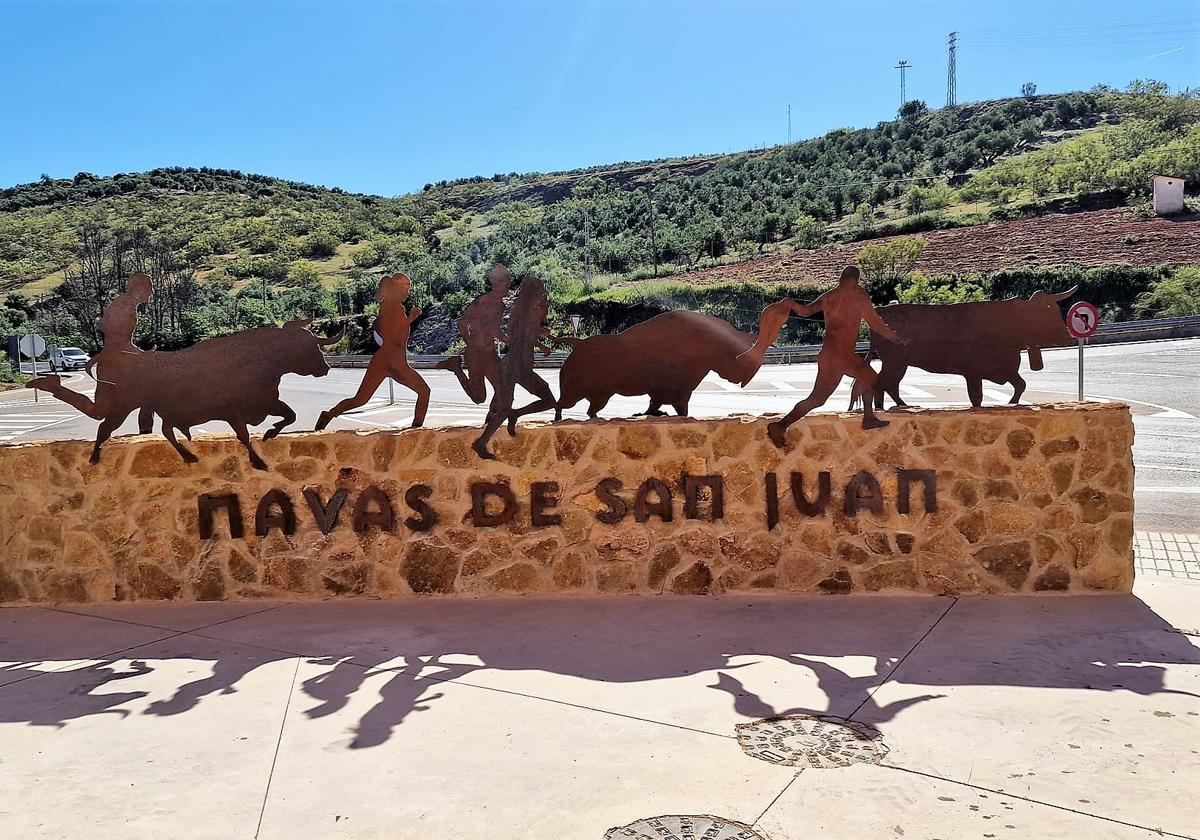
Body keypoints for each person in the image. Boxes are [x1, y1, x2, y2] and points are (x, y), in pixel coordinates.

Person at [738, 265, 905, 446]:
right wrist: (895, 338)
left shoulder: (830, 296)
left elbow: (805, 311)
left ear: (842, 279)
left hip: (834, 355)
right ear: (855, 281)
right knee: (820, 398)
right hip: (841, 356)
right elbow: (875, 323)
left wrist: (792, 304)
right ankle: (780, 425)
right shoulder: (858, 298)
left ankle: (868, 418)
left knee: (863, 383)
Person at [29, 272, 153, 427]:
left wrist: (141, 355)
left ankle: (147, 437)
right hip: (113, 366)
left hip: (120, 364)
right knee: (98, 412)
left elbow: (120, 340)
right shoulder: (122, 308)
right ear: (138, 289)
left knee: (151, 396)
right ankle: (55, 387)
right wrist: (142, 355)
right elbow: (117, 343)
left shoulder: (127, 307)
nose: (151, 293)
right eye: (149, 288)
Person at [316, 273, 430, 430]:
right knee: (424, 391)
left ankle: (328, 415)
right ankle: (416, 429)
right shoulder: (396, 308)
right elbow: (392, 333)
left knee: (360, 399)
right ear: (397, 290)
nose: (408, 292)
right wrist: (411, 317)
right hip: (394, 360)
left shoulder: (390, 307)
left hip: (385, 360)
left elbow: (391, 331)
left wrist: (409, 319)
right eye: (406, 288)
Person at [472, 274, 557, 459]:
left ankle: (514, 414)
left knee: (547, 400)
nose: (542, 294)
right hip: (516, 365)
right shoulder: (526, 311)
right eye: (540, 291)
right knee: (506, 406)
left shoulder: (523, 310)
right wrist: (541, 331)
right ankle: (481, 441)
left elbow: (522, 337)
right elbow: (525, 334)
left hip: (518, 365)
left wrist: (540, 343)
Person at [436, 264, 510, 404]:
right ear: (494, 283)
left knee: (503, 387)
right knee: (479, 397)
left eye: (508, 280)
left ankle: (493, 418)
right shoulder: (485, 301)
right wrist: (471, 343)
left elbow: (492, 329)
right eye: (504, 281)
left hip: (489, 352)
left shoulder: (500, 305)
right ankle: (456, 367)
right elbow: (465, 324)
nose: (508, 284)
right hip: (476, 353)